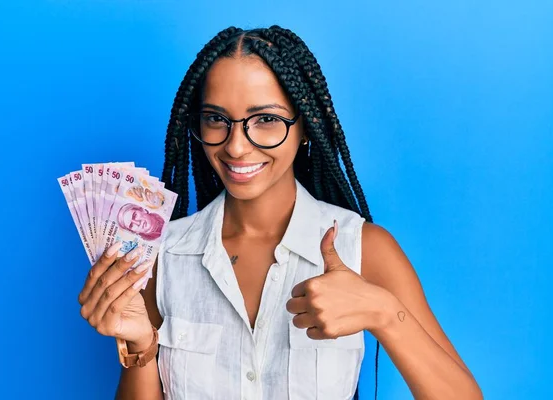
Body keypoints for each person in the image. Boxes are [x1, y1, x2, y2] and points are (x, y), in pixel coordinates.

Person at [78, 25, 483, 399]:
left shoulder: (365, 249)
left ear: (304, 126)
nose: (236, 146)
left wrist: (383, 313)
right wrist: (141, 345)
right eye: (217, 119)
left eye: (266, 119)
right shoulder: (160, 257)